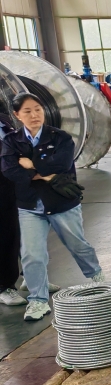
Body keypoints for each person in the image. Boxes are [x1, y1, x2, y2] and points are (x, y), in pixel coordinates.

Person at [1, 92, 106, 322]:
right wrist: (44, 174)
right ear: (17, 115)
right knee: (32, 255)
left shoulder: (60, 137)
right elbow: (10, 170)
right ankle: (38, 301)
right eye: (27, 111)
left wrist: (30, 165)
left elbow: (62, 164)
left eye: (38, 109)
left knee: (77, 244)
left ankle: (97, 276)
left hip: (61, 202)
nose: (34, 115)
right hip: (29, 206)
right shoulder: (11, 141)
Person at [0, 107, 25, 307]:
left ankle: (31, 276)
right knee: (4, 235)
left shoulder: (4, 121)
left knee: (22, 232)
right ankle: (4, 286)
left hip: (12, 185)